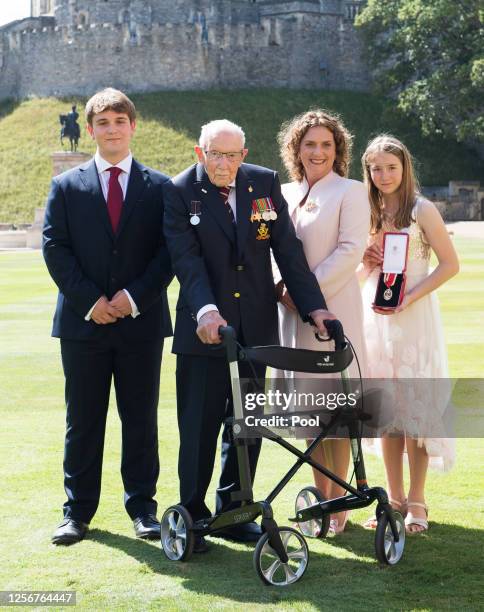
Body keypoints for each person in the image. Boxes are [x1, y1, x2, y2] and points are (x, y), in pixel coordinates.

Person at [163, 119, 334, 553]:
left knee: (248, 425)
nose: (224, 164)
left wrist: (314, 306)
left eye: (232, 155)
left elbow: (288, 251)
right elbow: (187, 260)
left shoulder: (263, 182)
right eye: (215, 155)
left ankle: (235, 512)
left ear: (245, 153)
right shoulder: (180, 190)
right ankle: (193, 515)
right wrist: (206, 311)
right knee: (199, 427)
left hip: (256, 329)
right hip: (205, 332)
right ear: (200, 152)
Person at [43, 88, 173, 545]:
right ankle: (76, 512)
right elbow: (54, 248)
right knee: (83, 419)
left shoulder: (159, 187)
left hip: (141, 323)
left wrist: (132, 298)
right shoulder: (66, 185)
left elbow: (168, 253)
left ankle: (143, 509)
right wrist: (90, 302)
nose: (112, 129)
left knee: (140, 419)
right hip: (83, 325)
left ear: (132, 126)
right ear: (92, 129)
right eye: (103, 123)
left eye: (120, 121)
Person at [275, 109, 370, 534]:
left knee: (337, 411)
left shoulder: (351, 191)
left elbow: (350, 251)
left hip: (332, 312)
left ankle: (339, 504)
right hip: (289, 315)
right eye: (309, 144)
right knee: (309, 413)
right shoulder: (279, 192)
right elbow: (266, 249)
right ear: (296, 148)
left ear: (338, 149)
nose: (317, 151)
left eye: (326, 144)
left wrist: (306, 295)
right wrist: (281, 288)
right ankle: (320, 500)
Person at [360, 134, 459, 533]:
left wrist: (411, 298)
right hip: (377, 316)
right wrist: (366, 262)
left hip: (413, 317)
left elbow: (449, 265)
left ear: (405, 168)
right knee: (387, 407)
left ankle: (418, 499)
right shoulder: (367, 211)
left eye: (391, 167)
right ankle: (394, 498)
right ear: (367, 171)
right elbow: (361, 272)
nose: (384, 175)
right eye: (376, 168)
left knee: (416, 406)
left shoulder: (422, 210)